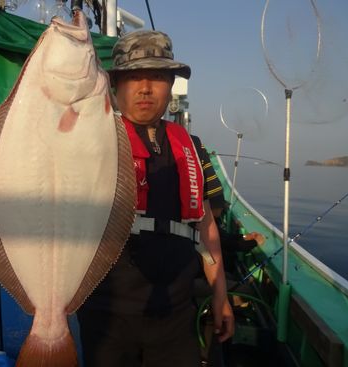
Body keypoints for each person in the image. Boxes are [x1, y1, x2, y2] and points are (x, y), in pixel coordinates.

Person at [76, 30, 234, 367]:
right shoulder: (90, 141)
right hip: (106, 313)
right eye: (134, 77)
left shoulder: (190, 145)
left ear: (171, 85)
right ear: (115, 85)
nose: (146, 88)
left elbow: (206, 226)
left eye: (158, 77)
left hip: (176, 314)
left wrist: (220, 295)